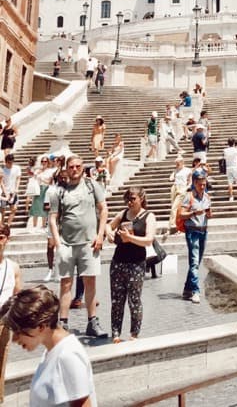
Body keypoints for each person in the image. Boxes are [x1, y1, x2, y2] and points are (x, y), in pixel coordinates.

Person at [0, 285, 97, 406]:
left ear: (41, 326)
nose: (14, 339)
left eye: (18, 331)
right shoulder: (52, 352)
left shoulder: (68, 356)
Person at [48, 154, 108, 338]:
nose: (74, 169)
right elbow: (52, 218)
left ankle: (92, 321)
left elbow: (103, 208)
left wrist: (100, 234)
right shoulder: (59, 191)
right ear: (66, 168)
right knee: (66, 284)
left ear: (83, 168)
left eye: (78, 166)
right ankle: (63, 323)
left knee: (90, 283)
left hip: (89, 243)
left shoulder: (92, 185)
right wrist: (58, 244)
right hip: (67, 244)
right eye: (71, 167)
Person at [105, 187, 155, 343]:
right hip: (118, 262)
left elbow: (149, 240)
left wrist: (130, 238)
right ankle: (115, 333)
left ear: (141, 198)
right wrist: (110, 234)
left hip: (136, 264)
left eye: (133, 198)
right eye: (127, 199)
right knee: (116, 300)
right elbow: (108, 225)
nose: (129, 202)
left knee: (134, 300)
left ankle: (134, 333)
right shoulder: (123, 214)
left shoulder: (148, 216)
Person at [180, 170, 212, 304]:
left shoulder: (207, 197)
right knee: (194, 262)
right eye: (200, 184)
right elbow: (181, 214)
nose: (203, 187)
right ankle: (195, 291)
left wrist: (209, 214)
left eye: (204, 184)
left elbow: (208, 214)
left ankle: (187, 289)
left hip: (203, 231)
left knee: (196, 262)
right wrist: (193, 213)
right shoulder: (189, 197)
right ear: (194, 183)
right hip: (192, 231)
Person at [169, 155, 191, 232]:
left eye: (178, 162)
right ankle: (175, 224)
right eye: (176, 163)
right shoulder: (176, 170)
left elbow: (190, 181)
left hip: (182, 188)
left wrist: (186, 187)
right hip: (175, 187)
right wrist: (173, 174)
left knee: (174, 207)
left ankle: (173, 224)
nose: (177, 164)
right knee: (174, 206)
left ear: (182, 162)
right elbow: (171, 178)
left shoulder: (188, 170)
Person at [1, 153, 21, 228]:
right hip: (4, 192)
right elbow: (1, 182)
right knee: (3, 211)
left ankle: (8, 226)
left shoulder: (17, 168)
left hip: (13, 192)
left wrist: (17, 188)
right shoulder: (3, 169)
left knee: (14, 209)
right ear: (6, 162)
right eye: (9, 162)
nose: (11, 164)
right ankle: (1, 225)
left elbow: (18, 179)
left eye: (12, 162)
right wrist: (6, 193)